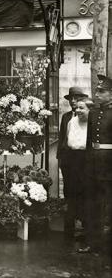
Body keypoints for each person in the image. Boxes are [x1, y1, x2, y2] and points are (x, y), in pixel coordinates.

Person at [79, 75, 112, 254]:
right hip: (92, 165)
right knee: (92, 205)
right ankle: (93, 242)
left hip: (108, 166)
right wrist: (87, 165)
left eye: (102, 91)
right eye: (97, 91)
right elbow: (89, 141)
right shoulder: (93, 113)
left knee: (108, 206)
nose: (97, 94)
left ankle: (107, 246)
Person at [57, 87, 89, 236]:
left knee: (82, 190)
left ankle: (83, 223)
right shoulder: (66, 117)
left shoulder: (88, 116)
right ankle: (69, 226)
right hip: (67, 159)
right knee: (68, 191)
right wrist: (60, 158)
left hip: (82, 159)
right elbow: (62, 137)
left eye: (76, 98)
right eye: (71, 99)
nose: (73, 101)